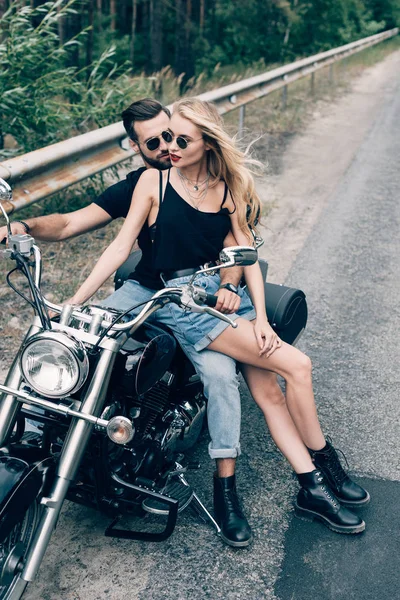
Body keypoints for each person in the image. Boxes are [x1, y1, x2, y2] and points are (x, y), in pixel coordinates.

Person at [66, 97, 370, 539]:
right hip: (180, 302)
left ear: (207, 142)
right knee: (296, 366)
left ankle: (312, 484)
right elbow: (120, 248)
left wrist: (262, 318)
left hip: (219, 297)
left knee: (267, 389)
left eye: (180, 139)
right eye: (166, 136)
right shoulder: (154, 180)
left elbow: (245, 255)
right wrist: (77, 299)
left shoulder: (228, 189)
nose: (169, 145)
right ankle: (324, 469)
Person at [0, 98, 281, 547]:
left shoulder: (216, 182)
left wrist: (228, 285)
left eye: (174, 135)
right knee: (72, 335)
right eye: (157, 140)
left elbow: (236, 248)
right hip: (145, 286)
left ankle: (224, 488)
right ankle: (50, 428)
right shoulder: (145, 182)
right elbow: (78, 225)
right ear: (137, 146)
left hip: (197, 294)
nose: (168, 145)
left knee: (221, 378)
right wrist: (24, 233)